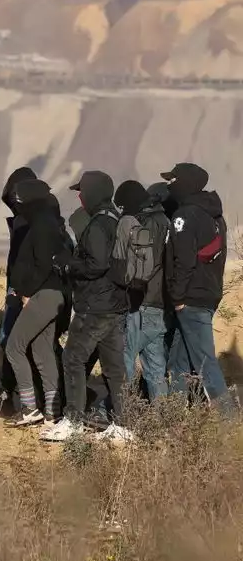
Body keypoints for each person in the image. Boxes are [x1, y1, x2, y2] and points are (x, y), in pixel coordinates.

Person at [43, 171, 130, 443]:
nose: (79, 197)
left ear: (93, 192)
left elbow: (97, 265)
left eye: (82, 191)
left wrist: (68, 264)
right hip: (116, 305)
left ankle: (73, 422)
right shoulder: (117, 220)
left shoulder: (97, 224)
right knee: (115, 369)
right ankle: (124, 426)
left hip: (94, 307)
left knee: (73, 360)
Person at [162, 163, 233, 410]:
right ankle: (175, 414)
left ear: (186, 183)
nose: (169, 185)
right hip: (207, 295)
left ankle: (228, 421)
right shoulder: (215, 216)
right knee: (180, 361)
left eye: (173, 180)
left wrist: (178, 297)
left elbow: (184, 260)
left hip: (190, 299)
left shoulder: (184, 216)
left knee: (204, 362)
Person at [2, 179, 71, 428]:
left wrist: (27, 292)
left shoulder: (41, 225)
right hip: (53, 295)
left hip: (43, 294)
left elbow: (42, 264)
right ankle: (53, 412)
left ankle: (30, 408)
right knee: (42, 353)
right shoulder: (49, 222)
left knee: (14, 347)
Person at [0, 167, 39, 417]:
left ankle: (18, 400)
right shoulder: (26, 217)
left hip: (24, 292)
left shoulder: (33, 220)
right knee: (14, 344)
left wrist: (23, 291)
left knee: (16, 344)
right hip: (19, 290)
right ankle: (9, 398)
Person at [114, 180, 172, 400]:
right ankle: (163, 419)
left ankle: (119, 412)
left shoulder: (148, 224)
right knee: (155, 367)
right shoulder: (166, 221)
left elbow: (145, 264)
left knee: (123, 358)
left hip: (144, 302)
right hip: (160, 303)